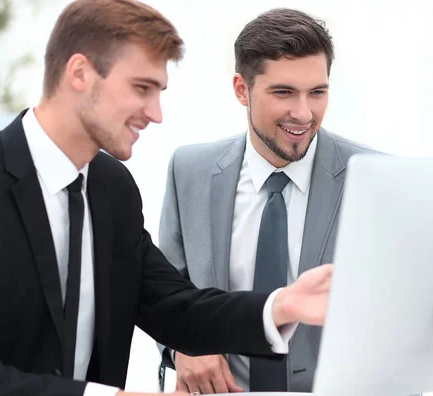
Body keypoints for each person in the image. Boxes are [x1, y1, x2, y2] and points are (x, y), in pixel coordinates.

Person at [0, 1, 333, 396]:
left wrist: (281, 305)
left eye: (159, 91)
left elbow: (176, 308)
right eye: (142, 88)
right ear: (79, 74)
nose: (155, 112)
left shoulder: (113, 189)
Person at [157, 7, 377, 394]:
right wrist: (180, 347)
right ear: (242, 89)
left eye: (317, 92)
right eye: (284, 92)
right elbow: (165, 293)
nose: (303, 113)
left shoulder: (374, 178)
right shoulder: (188, 170)